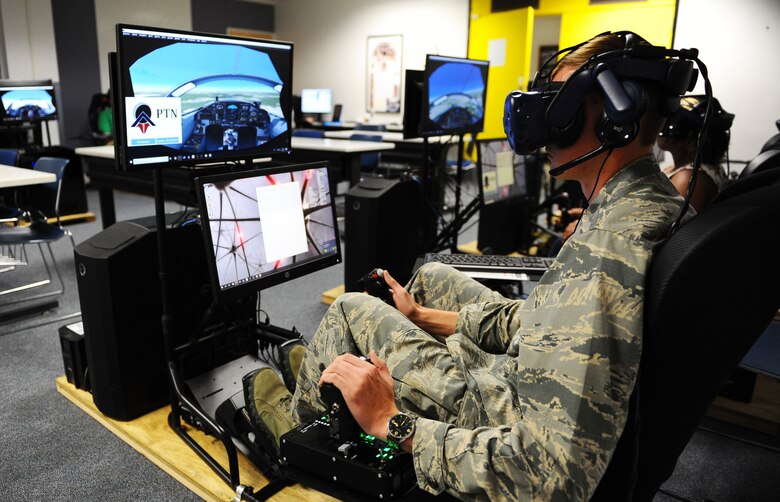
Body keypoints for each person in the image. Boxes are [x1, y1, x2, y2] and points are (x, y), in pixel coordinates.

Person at [247, 32, 695, 500]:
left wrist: (390, 421)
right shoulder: (649, 201)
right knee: (435, 276)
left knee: (349, 309)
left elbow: (551, 474)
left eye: (559, 107)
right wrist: (423, 318)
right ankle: (339, 367)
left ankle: (295, 429)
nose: (545, 122)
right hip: (529, 374)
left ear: (613, 120)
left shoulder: (606, 250)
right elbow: (546, 322)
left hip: (503, 415)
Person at [657, 95, 734, 212]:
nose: (662, 126)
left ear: (688, 136)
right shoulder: (689, 170)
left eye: (669, 122)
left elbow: (674, 228)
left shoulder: (687, 179)